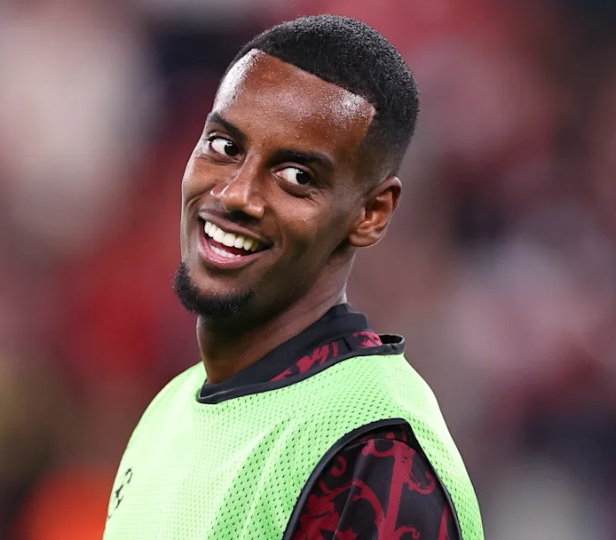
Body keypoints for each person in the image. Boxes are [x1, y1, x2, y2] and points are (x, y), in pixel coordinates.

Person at [103, 14, 483, 540]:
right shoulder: (169, 410)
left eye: (297, 176)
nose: (236, 194)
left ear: (371, 213)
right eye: (224, 147)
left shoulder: (371, 455)